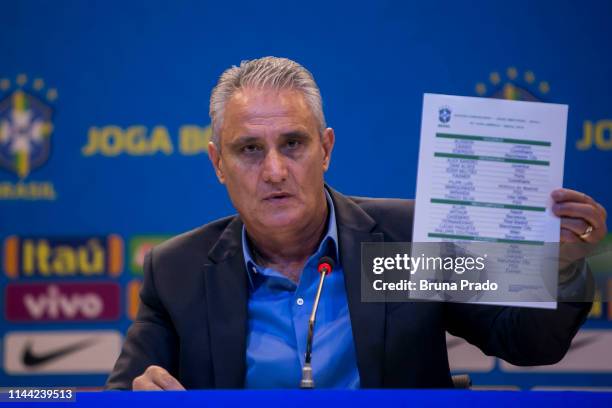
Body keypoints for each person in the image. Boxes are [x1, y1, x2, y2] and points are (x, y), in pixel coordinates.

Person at [106, 57, 607, 390]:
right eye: (249, 149)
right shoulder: (179, 272)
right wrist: (140, 393)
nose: (275, 170)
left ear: (326, 148)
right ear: (218, 163)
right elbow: (120, 393)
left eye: (293, 144)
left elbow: (526, 342)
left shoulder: (405, 247)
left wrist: (561, 268)